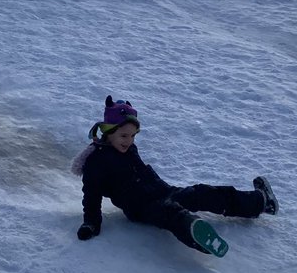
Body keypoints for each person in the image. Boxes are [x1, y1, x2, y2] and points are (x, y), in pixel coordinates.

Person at [73, 95, 279, 258]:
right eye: (124, 136)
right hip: (141, 208)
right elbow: (91, 196)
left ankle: (260, 202)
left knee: (201, 193)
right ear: (108, 132)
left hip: (164, 191)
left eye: (133, 135)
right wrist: (90, 224)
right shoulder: (97, 162)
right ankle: (196, 234)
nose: (129, 141)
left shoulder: (128, 149)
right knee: (171, 213)